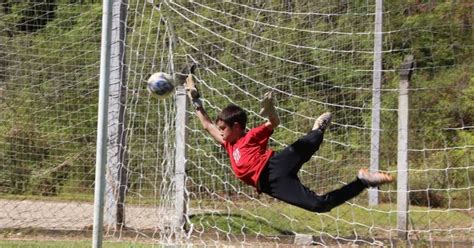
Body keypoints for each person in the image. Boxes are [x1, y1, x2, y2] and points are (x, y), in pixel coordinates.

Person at [184, 74, 394, 213]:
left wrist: (270, 111)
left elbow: (274, 123)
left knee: (307, 144)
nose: (220, 132)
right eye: (220, 129)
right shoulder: (228, 144)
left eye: (224, 129)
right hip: (270, 185)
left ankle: (318, 129)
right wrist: (194, 98)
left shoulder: (251, 136)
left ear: (237, 126)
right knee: (319, 205)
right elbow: (206, 124)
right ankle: (363, 181)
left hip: (274, 165)